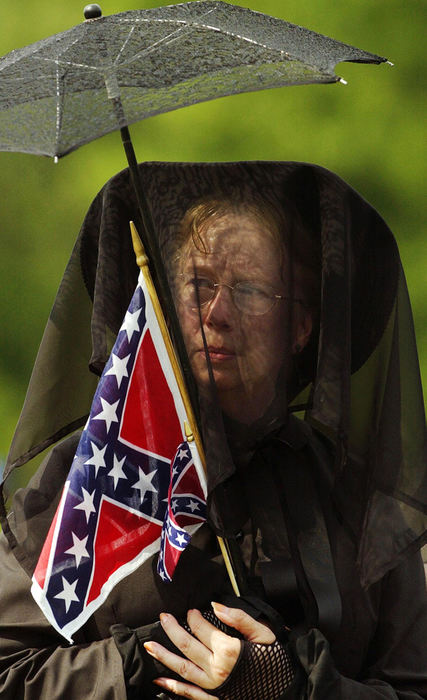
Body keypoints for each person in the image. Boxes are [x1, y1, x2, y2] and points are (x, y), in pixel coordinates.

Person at [0, 162, 426, 699]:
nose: (216, 313)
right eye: (198, 284)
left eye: (250, 290)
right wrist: (143, 661)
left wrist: (288, 688)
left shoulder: (358, 500)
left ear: (301, 327)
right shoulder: (89, 472)